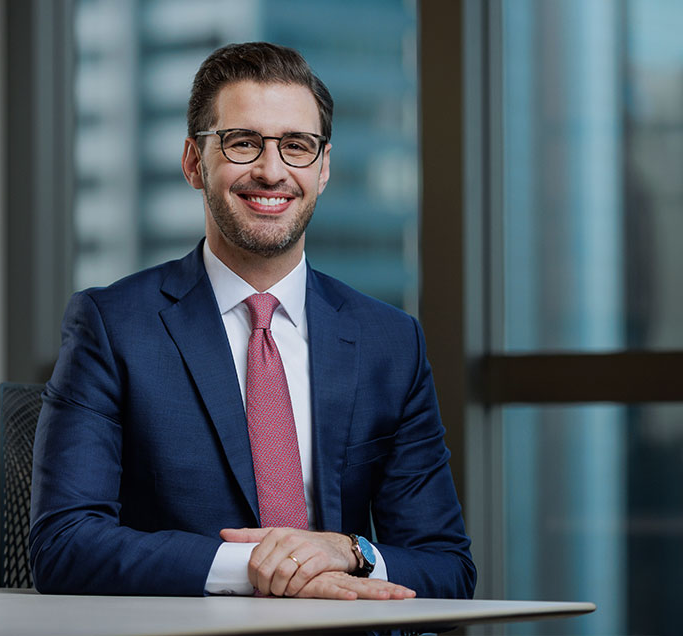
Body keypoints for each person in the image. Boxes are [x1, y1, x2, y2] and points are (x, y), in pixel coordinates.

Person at [29, 42, 476, 600]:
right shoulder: (112, 326)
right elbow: (63, 546)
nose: (272, 171)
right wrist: (263, 570)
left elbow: (448, 570)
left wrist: (351, 552)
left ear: (324, 167)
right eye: (243, 144)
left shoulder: (391, 342)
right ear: (195, 162)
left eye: (297, 146)